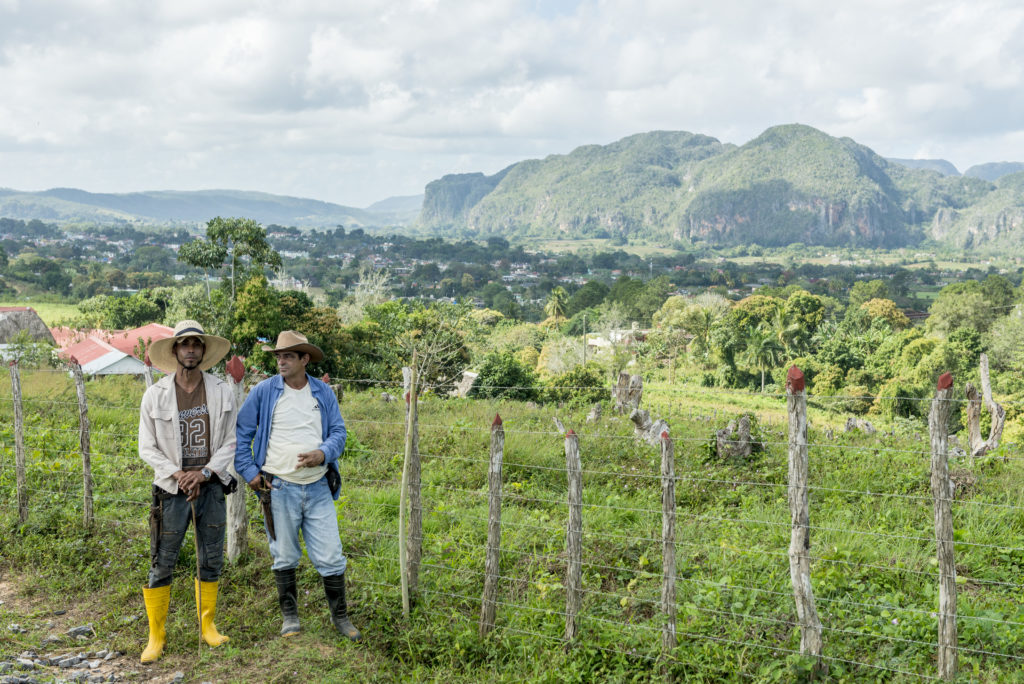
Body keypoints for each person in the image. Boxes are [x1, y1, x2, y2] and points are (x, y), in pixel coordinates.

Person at [234, 330, 361, 642]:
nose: (281, 361)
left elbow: (339, 432)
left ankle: (340, 616)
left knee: (331, 554)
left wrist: (323, 453)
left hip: (318, 486)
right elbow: (242, 433)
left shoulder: (322, 393)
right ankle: (290, 616)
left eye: (288, 356)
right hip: (279, 488)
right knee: (285, 553)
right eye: (278, 356)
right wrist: (250, 472)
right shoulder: (264, 392)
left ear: (305, 359)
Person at [138, 320, 236, 663]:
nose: (191, 349)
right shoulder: (155, 395)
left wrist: (205, 472)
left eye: (196, 344)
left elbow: (231, 441)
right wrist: (179, 474)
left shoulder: (222, 391)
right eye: (184, 344)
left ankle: (208, 626)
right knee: (162, 560)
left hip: (210, 487)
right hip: (170, 489)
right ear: (175, 351)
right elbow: (147, 447)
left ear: (203, 351)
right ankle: (156, 635)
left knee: (210, 558)